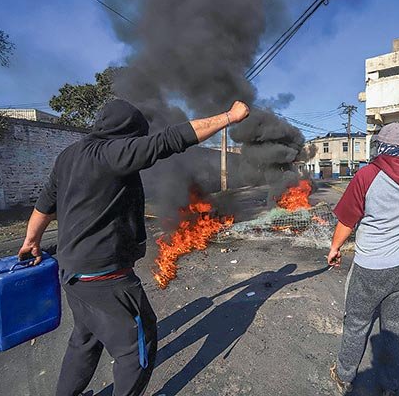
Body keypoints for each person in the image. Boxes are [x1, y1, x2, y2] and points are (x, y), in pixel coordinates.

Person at [17, 99, 250, 396]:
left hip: (72, 272)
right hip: (106, 278)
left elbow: (44, 206)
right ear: (127, 132)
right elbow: (171, 140)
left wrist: (31, 241)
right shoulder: (114, 153)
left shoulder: (68, 156)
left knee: (85, 338)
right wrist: (229, 116)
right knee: (136, 348)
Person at [327, 78, 399, 395]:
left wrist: (334, 248)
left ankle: (345, 375)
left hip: (370, 267)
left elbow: (347, 220)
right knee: (396, 328)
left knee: (357, 323)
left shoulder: (368, 174)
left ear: (381, 145)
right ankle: (392, 385)